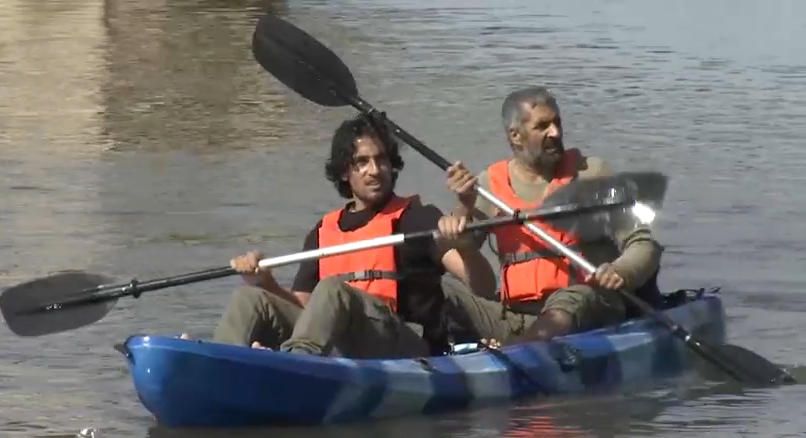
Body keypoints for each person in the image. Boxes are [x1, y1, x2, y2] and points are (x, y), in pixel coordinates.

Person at [182, 112, 495, 359]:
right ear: (345, 171)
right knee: (249, 298)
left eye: (382, 159)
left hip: (406, 348)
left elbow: (483, 286)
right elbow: (307, 311)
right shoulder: (323, 231)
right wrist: (266, 282)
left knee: (333, 289)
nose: (375, 170)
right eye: (362, 162)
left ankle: (295, 363)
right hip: (342, 347)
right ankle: (223, 360)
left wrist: (465, 247)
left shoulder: (417, 218)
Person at [440, 85, 664, 347]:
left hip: (586, 305)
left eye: (557, 123)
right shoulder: (488, 185)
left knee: (568, 299)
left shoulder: (593, 173)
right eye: (542, 126)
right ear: (515, 135)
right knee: (444, 290)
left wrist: (621, 270)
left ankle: (516, 354)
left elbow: (643, 243)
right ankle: (438, 356)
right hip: (515, 317)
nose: (555, 133)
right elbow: (475, 274)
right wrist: (461, 213)